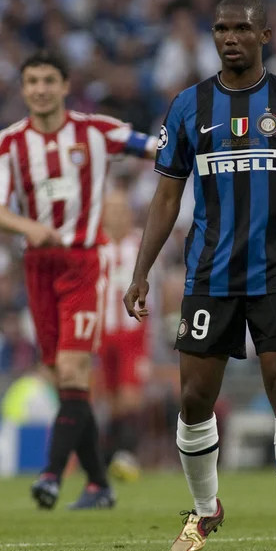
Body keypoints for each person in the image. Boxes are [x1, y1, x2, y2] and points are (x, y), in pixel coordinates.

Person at [124, 0, 276, 551]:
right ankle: (204, 510)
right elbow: (166, 199)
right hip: (208, 274)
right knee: (193, 399)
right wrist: (141, 271)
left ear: (265, 35)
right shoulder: (188, 106)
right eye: (220, 28)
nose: (229, 37)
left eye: (241, 28)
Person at [0, 50, 157, 510]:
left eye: (48, 80)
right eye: (32, 81)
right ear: (24, 89)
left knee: (76, 371)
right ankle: (99, 485)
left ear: (64, 86)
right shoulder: (10, 143)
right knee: (64, 379)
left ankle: (51, 475)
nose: (39, 88)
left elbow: (154, 147)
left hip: (82, 262)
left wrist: (199, 136)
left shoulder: (94, 131)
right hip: (38, 266)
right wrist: (28, 227)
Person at [99, 190, 151, 481]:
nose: (116, 215)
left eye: (121, 209)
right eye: (111, 209)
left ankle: (125, 456)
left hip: (133, 333)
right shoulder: (95, 245)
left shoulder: (140, 243)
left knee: (131, 398)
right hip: (103, 333)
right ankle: (113, 458)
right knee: (112, 401)